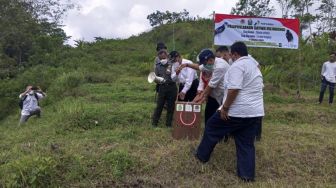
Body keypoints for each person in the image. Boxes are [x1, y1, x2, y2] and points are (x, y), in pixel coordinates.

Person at [194, 42, 264, 182]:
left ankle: (201, 156)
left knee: (212, 127)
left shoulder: (238, 66)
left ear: (236, 54)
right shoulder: (254, 66)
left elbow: (234, 89)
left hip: (237, 111)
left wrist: (225, 108)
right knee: (246, 143)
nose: (230, 57)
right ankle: (246, 175)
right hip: (255, 113)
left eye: (231, 54)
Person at [152, 50, 177, 127]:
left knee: (171, 106)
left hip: (172, 86)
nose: (162, 58)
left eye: (164, 56)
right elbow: (154, 77)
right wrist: (157, 80)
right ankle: (154, 123)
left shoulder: (173, 64)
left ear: (167, 56)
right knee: (159, 105)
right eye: (161, 57)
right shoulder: (158, 66)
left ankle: (168, 124)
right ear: (159, 57)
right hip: (162, 87)